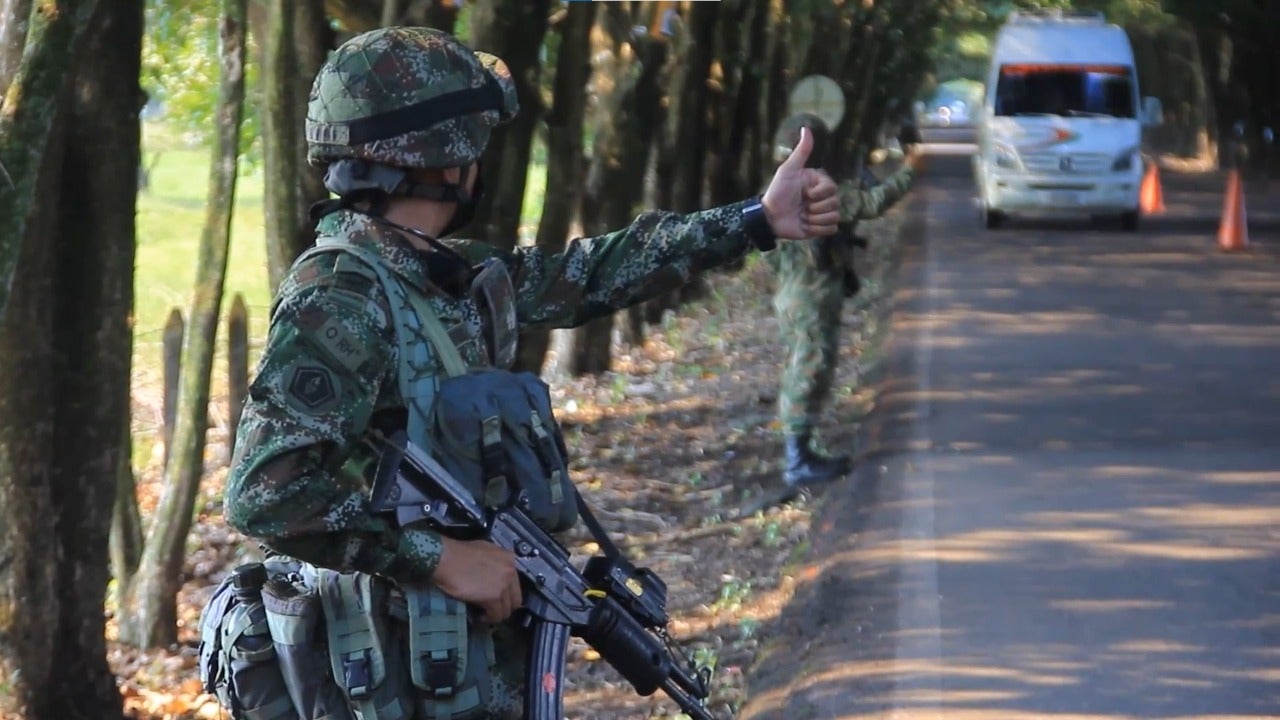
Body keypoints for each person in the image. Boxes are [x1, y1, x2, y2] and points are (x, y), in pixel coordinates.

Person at [219, 26, 839, 720]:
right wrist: (436, 558)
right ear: (448, 158)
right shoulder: (341, 299)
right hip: (397, 675)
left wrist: (756, 219)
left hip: (460, 667)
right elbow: (262, 495)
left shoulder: (439, 275)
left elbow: (595, 272)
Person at [768, 112, 917, 491]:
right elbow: (872, 203)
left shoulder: (775, 189)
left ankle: (802, 451)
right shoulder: (815, 188)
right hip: (812, 294)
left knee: (801, 365)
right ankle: (797, 460)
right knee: (809, 368)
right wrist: (911, 171)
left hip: (791, 292)